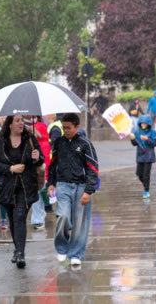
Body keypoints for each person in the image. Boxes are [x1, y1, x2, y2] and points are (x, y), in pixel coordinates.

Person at [0, 115, 43, 269]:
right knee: (13, 219)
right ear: (10, 124)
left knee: (20, 216)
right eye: (17, 121)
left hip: (26, 186)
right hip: (5, 186)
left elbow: (41, 159)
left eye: (22, 121)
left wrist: (37, 157)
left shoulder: (30, 138)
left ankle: (20, 253)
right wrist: (10, 168)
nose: (21, 123)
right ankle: (17, 248)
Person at [47, 113, 99, 268]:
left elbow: (93, 169)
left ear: (77, 127)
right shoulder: (59, 143)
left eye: (69, 128)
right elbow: (52, 164)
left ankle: (76, 254)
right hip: (62, 185)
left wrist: (88, 191)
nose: (66, 130)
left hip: (81, 187)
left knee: (79, 223)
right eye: (64, 128)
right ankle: (62, 247)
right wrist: (51, 183)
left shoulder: (85, 144)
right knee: (62, 216)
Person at [129, 115, 156, 199]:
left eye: (145, 124)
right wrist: (132, 139)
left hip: (149, 155)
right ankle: (146, 183)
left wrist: (147, 139)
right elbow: (135, 144)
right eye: (142, 124)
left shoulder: (152, 132)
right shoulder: (137, 132)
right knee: (139, 173)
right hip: (140, 155)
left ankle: (146, 190)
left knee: (146, 174)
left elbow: (155, 143)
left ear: (148, 124)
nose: (143, 125)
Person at [30, 116, 51, 230]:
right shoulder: (40, 144)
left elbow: (45, 160)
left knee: (38, 194)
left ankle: (39, 220)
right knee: (38, 195)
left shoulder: (42, 145)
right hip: (37, 171)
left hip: (40, 172)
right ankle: (38, 219)